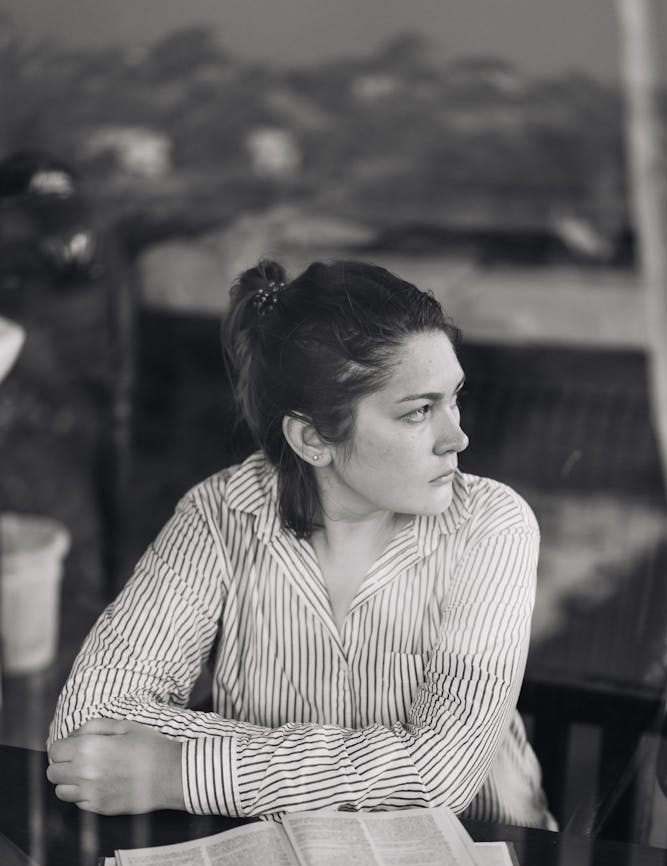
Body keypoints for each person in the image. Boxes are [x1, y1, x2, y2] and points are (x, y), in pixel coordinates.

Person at [47, 259, 553, 828]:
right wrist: (385, 756)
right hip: (279, 861)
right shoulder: (219, 516)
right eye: (418, 412)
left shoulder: (492, 525)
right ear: (312, 438)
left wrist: (179, 772)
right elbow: (87, 726)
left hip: (483, 858)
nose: (457, 436)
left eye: (453, 398)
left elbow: (441, 775)